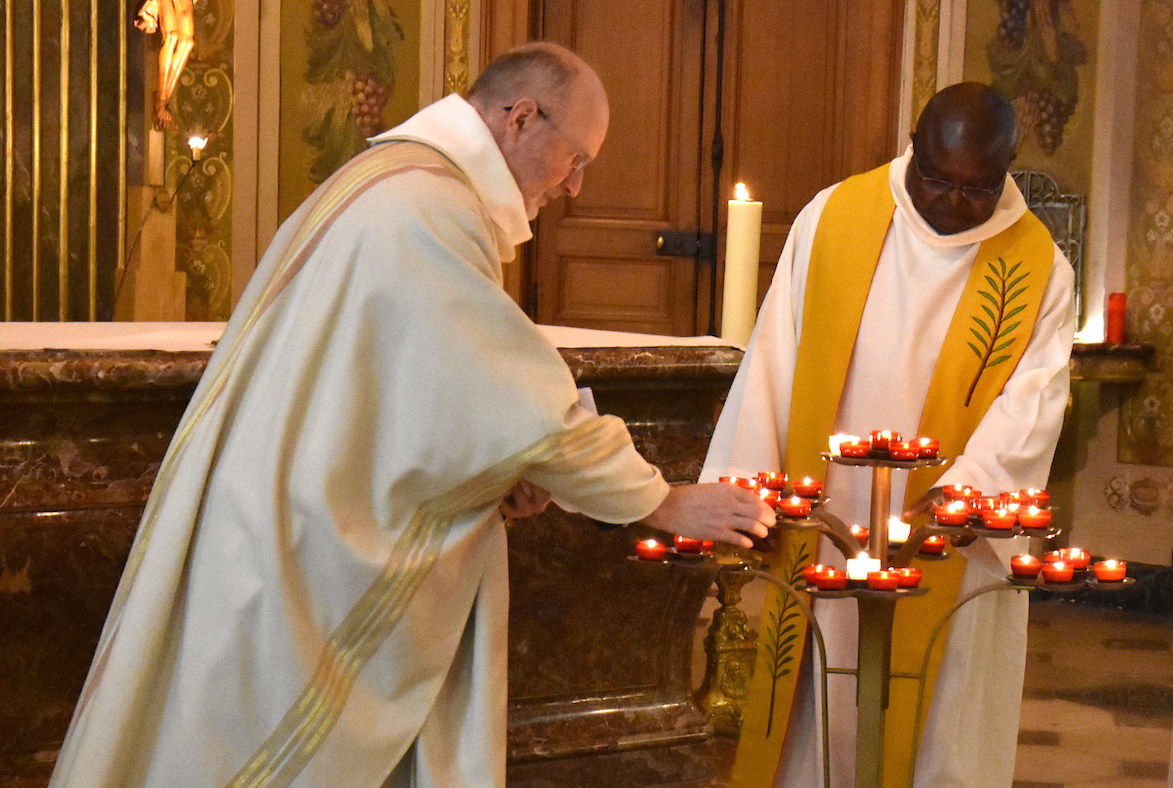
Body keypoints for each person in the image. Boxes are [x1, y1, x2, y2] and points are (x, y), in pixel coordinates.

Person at [51, 42, 773, 787]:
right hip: (305, 547)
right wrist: (660, 501)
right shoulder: (426, 207)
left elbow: (415, 393)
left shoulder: (395, 183)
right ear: (520, 117)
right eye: (576, 159)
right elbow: (520, 399)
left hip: (286, 513)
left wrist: (492, 468)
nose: (575, 187)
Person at [702, 82, 1074, 787]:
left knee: (939, 721)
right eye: (934, 179)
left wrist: (963, 500)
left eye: (976, 189)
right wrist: (747, 491)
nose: (950, 203)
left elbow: (1031, 403)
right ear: (912, 145)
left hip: (945, 543)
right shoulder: (837, 216)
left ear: (1007, 170)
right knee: (810, 704)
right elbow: (774, 356)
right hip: (828, 515)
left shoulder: (1036, 265)